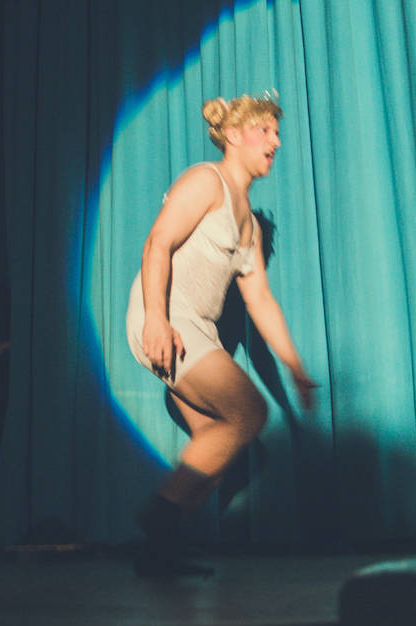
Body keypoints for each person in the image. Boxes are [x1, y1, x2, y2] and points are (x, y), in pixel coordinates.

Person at [125, 93, 317, 576]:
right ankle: (158, 516)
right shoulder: (205, 181)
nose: (276, 141)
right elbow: (158, 243)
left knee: (220, 438)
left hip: (198, 332)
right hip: (168, 319)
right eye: (265, 131)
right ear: (233, 135)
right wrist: (156, 318)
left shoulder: (248, 224)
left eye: (277, 133)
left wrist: (295, 369)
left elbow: (260, 302)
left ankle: (161, 551)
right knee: (249, 413)